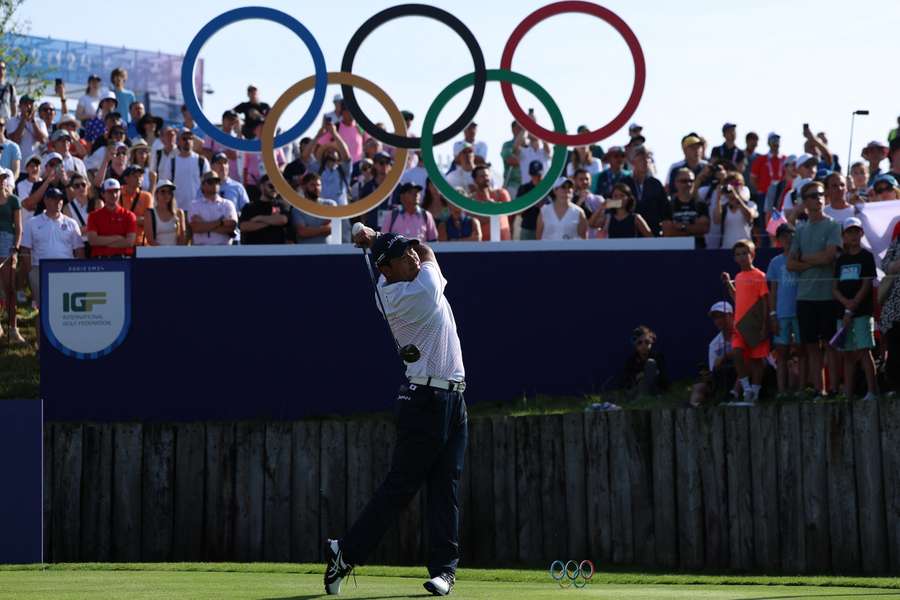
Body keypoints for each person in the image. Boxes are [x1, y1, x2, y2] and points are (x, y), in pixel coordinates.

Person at [326, 227, 467, 597]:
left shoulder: (398, 284)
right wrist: (374, 237)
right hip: (426, 402)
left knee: (445, 489)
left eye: (411, 253)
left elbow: (420, 251)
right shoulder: (415, 292)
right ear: (387, 269)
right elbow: (429, 248)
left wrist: (377, 241)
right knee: (400, 488)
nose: (414, 257)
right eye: (405, 256)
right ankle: (346, 552)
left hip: (453, 399)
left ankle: (444, 572)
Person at [787, 181, 842, 398]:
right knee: (810, 346)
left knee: (831, 345)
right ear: (804, 201)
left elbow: (829, 256)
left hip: (827, 295)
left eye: (820, 193)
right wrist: (814, 260)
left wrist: (805, 259)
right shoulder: (800, 230)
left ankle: (835, 388)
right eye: (812, 195)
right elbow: (790, 264)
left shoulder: (833, 225)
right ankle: (821, 389)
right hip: (805, 297)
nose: (817, 198)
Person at [18, 186, 84, 345]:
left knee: (66, 310)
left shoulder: (71, 223)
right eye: (53, 199)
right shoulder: (32, 222)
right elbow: (25, 250)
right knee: (43, 310)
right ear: (46, 200)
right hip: (40, 270)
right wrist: (30, 273)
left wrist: (79, 274)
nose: (58, 202)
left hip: (66, 271)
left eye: (60, 199)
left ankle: (65, 343)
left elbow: (79, 251)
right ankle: (42, 346)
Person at [832, 217, 878, 400]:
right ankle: (848, 394)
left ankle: (872, 392)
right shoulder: (841, 259)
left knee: (864, 350)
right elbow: (834, 287)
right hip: (843, 314)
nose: (853, 235)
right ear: (843, 236)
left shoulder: (867, 256)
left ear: (861, 233)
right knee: (848, 354)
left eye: (856, 231)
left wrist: (852, 307)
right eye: (849, 232)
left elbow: (867, 284)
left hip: (861, 313)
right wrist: (846, 305)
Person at [721, 239, 770, 404]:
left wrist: (764, 325)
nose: (741, 257)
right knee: (737, 352)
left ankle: (755, 392)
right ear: (735, 258)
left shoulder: (760, 276)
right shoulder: (738, 276)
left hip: (755, 325)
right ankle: (746, 388)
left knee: (757, 360)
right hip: (739, 326)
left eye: (745, 253)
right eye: (738, 254)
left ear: (752, 255)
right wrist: (729, 284)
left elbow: (765, 301)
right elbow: (737, 298)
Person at [767, 223, 803, 395]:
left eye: (791, 235)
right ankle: (782, 391)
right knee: (782, 354)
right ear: (779, 240)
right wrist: (773, 314)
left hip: (800, 313)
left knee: (801, 353)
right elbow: (772, 291)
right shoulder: (775, 262)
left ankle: (801, 389)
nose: (788, 239)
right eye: (784, 236)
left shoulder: (803, 258)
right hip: (782, 314)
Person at [159, 128, 210, 218]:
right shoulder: (171, 162)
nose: (187, 141)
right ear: (178, 141)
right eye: (184, 138)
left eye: (190, 138)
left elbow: (208, 185)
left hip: (198, 210)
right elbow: (165, 186)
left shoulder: (202, 161)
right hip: (177, 210)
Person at [623, 145, 667, 237]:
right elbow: (611, 204)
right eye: (641, 159)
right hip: (628, 233)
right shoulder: (623, 183)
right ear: (633, 162)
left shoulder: (656, 184)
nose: (645, 162)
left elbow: (665, 211)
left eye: (648, 159)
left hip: (653, 232)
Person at [86, 179, 137, 258]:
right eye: (110, 192)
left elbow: (129, 242)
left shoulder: (129, 215)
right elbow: (92, 241)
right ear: (103, 194)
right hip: (101, 260)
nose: (114, 195)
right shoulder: (93, 216)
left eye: (116, 191)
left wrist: (103, 242)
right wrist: (117, 238)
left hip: (123, 260)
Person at [661, 167, 710, 248]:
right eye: (684, 181)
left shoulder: (700, 204)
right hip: (675, 248)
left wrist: (682, 227)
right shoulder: (669, 205)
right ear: (676, 183)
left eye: (691, 181)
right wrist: (693, 229)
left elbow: (704, 229)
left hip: (697, 249)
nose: (688, 184)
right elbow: (668, 232)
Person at [0, 167, 22, 342]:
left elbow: (18, 228)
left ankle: (13, 328)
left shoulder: (13, 200)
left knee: (10, 287)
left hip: (7, 243)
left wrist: (16, 247)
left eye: (2, 178)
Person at [236, 174, 290, 245]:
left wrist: (259, 218)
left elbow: (283, 220)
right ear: (262, 187)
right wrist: (272, 221)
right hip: (255, 250)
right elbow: (244, 226)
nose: (274, 189)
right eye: (271, 186)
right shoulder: (250, 206)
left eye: (277, 186)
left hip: (277, 250)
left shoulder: (282, 204)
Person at [209, 152, 250, 242]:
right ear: (211, 166)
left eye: (225, 163)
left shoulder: (237, 187)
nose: (223, 166)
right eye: (219, 163)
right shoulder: (204, 188)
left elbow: (247, 213)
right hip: (210, 239)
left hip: (233, 238)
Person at [189, 171, 238, 246]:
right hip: (200, 249)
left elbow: (231, 227)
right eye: (210, 182)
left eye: (217, 181)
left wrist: (204, 225)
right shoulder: (195, 205)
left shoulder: (228, 204)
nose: (215, 184)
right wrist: (220, 222)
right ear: (202, 185)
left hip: (224, 248)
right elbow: (196, 228)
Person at [620, 325, 668, 396]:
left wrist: (653, 374)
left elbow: (665, 382)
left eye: (647, 342)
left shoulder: (658, 357)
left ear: (651, 342)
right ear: (635, 344)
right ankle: (641, 396)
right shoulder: (631, 360)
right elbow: (624, 382)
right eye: (639, 342)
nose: (644, 345)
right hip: (637, 390)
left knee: (651, 363)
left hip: (654, 389)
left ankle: (645, 395)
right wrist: (636, 377)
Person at [713, 172, 758, 250]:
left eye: (737, 183)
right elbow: (716, 220)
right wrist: (718, 198)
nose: (734, 187)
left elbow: (749, 217)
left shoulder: (751, 204)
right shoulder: (723, 207)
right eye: (730, 185)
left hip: (746, 250)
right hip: (726, 249)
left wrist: (737, 198)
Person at [291, 172, 337, 244]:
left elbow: (332, 228)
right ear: (303, 187)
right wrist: (323, 229)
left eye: (318, 185)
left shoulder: (330, 204)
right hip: (306, 252)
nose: (316, 188)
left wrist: (311, 230)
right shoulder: (298, 208)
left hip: (329, 251)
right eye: (312, 185)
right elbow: (302, 232)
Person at [470, 165, 511, 241]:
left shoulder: (502, 193)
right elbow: (472, 222)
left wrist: (493, 208)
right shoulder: (471, 200)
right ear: (475, 180)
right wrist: (493, 211)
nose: (486, 178)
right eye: (482, 176)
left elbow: (509, 212)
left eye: (487, 175)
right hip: (483, 245)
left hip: (504, 242)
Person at [881, 235, 900, 394]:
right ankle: (895, 386)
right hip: (894, 309)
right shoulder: (898, 240)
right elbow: (884, 263)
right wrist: (894, 265)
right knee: (894, 348)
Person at [514, 160, 548, 240]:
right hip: (528, 228)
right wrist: (531, 203)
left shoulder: (548, 188)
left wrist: (544, 206)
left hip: (546, 227)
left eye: (538, 175)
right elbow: (517, 211)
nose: (536, 177)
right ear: (530, 174)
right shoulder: (524, 189)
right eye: (534, 175)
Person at [144, 180, 185, 246]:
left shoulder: (179, 213)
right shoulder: (149, 213)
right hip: (157, 254)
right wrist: (164, 252)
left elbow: (182, 238)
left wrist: (176, 252)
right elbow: (150, 240)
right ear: (156, 194)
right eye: (163, 191)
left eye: (169, 192)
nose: (166, 195)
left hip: (176, 253)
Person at [120, 166, 153, 246]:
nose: (139, 178)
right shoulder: (117, 193)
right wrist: (137, 220)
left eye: (140, 176)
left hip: (140, 243)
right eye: (135, 176)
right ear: (126, 178)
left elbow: (149, 222)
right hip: (120, 243)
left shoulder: (146, 196)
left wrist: (126, 220)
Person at [750, 132, 785, 198]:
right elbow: (753, 179)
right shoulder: (760, 159)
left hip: (780, 195)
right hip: (763, 195)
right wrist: (761, 188)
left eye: (777, 140)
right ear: (768, 143)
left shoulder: (785, 159)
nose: (775, 142)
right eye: (773, 140)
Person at [571, 168, 604, 237]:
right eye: (581, 179)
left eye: (587, 179)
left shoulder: (599, 199)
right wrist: (580, 202)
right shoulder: (569, 200)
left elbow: (601, 222)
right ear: (575, 181)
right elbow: (570, 220)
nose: (585, 182)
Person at [500, 121, 523, 195]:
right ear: (513, 129)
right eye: (519, 128)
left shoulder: (530, 145)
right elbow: (512, 161)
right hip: (512, 185)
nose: (521, 130)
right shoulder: (507, 145)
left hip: (528, 185)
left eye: (523, 128)